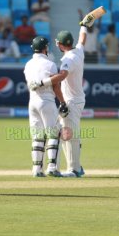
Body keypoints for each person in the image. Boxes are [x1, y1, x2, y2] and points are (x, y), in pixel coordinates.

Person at [29, 17, 93, 177]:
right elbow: (82, 39)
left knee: (69, 134)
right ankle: (57, 166)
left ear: (60, 45)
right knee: (62, 132)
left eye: (57, 42)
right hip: (76, 99)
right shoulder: (78, 50)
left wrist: (42, 82)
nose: (55, 44)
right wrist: (84, 26)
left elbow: (62, 76)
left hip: (71, 101)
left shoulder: (68, 60)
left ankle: (74, 169)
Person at [24, 36, 69, 177]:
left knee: (37, 136)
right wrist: (62, 102)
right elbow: (56, 86)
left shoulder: (28, 64)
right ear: (45, 48)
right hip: (46, 101)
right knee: (54, 133)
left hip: (32, 102)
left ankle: (36, 170)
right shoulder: (49, 64)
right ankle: (52, 167)